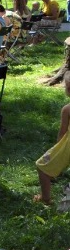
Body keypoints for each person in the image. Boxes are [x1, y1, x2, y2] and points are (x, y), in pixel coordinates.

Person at [34, 74, 70, 206]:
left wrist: (56, 152)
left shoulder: (67, 109)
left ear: (68, 89)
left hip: (68, 146)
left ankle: (46, 199)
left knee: (42, 167)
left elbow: (62, 133)